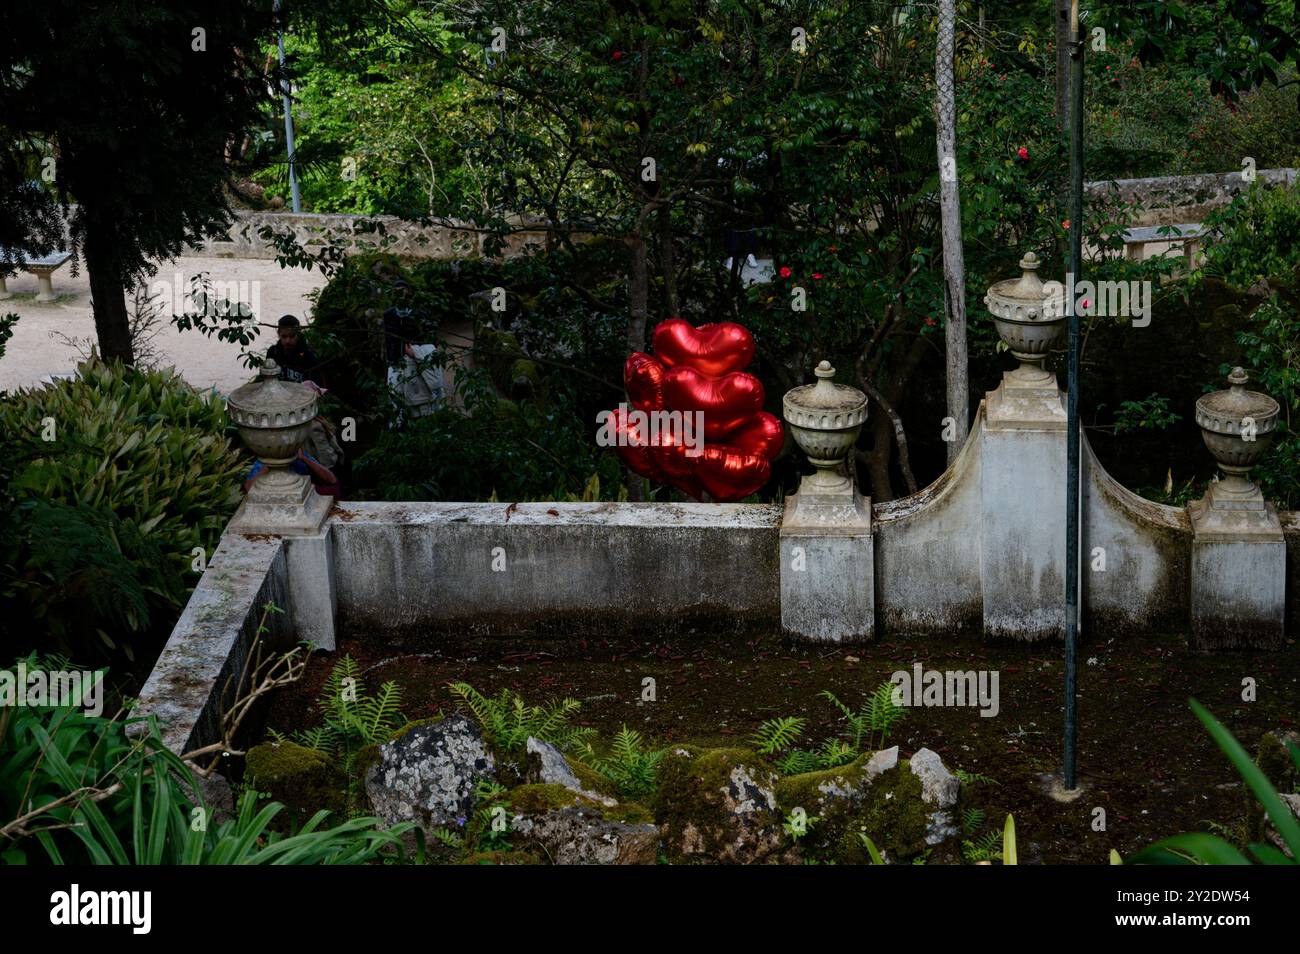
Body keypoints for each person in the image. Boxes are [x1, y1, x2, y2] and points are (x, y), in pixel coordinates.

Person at [242, 448, 340, 498]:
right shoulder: (263, 462)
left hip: (302, 495)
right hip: (275, 497)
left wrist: (304, 459)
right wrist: (272, 464)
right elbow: (249, 488)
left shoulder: (300, 456)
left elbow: (332, 480)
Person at [266, 315, 322, 384]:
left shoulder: (308, 355)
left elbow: (316, 385)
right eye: (284, 336)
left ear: (298, 334)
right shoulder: (272, 352)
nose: (287, 341)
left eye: (292, 336)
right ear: (278, 334)